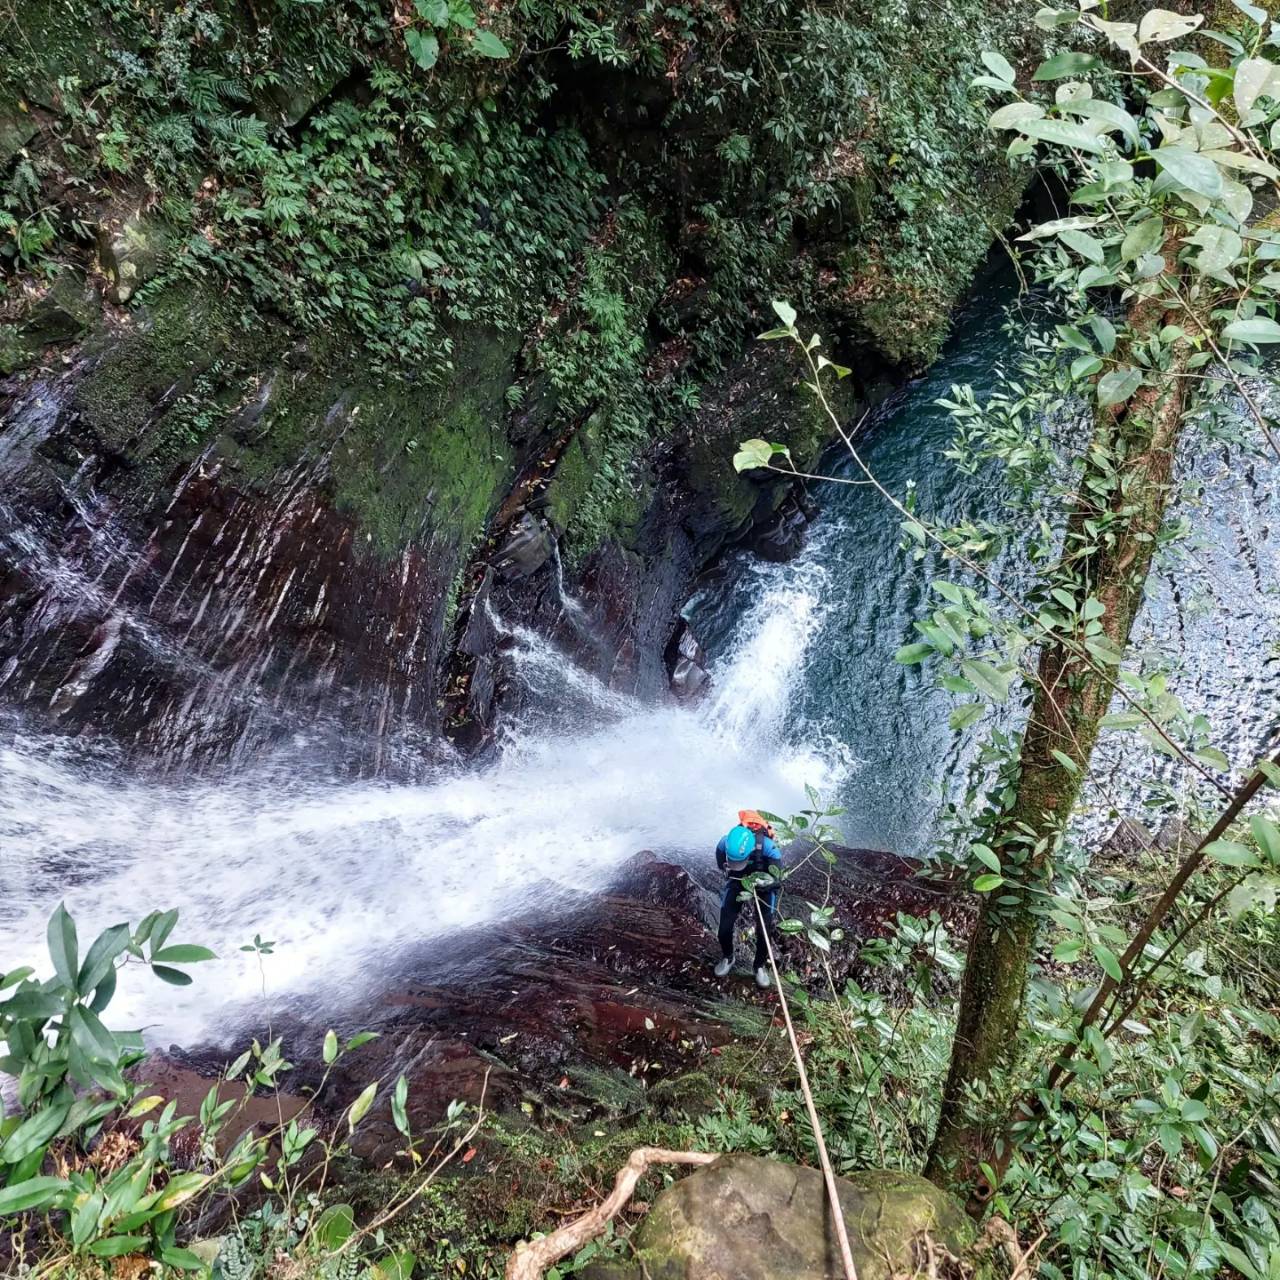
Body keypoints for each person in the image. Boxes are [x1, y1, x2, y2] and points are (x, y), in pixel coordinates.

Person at [714, 809, 782, 989]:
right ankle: (728, 957)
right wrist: (727, 870)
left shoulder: (768, 847)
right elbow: (721, 862)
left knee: (764, 933)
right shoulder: (724, 843)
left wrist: (765, 885)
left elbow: (777, 879)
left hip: (762, 884)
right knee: (724, 928)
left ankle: (759, 966)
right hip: (738, 881)